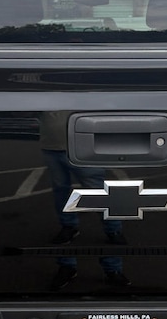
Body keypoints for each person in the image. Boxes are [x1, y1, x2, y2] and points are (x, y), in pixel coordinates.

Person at [38, 112, 129, 290]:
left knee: (98, 192)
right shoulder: (42, 94)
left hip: (83, 146)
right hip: (51, 146)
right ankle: (69, 228)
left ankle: (113, 230)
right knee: (61, 191)